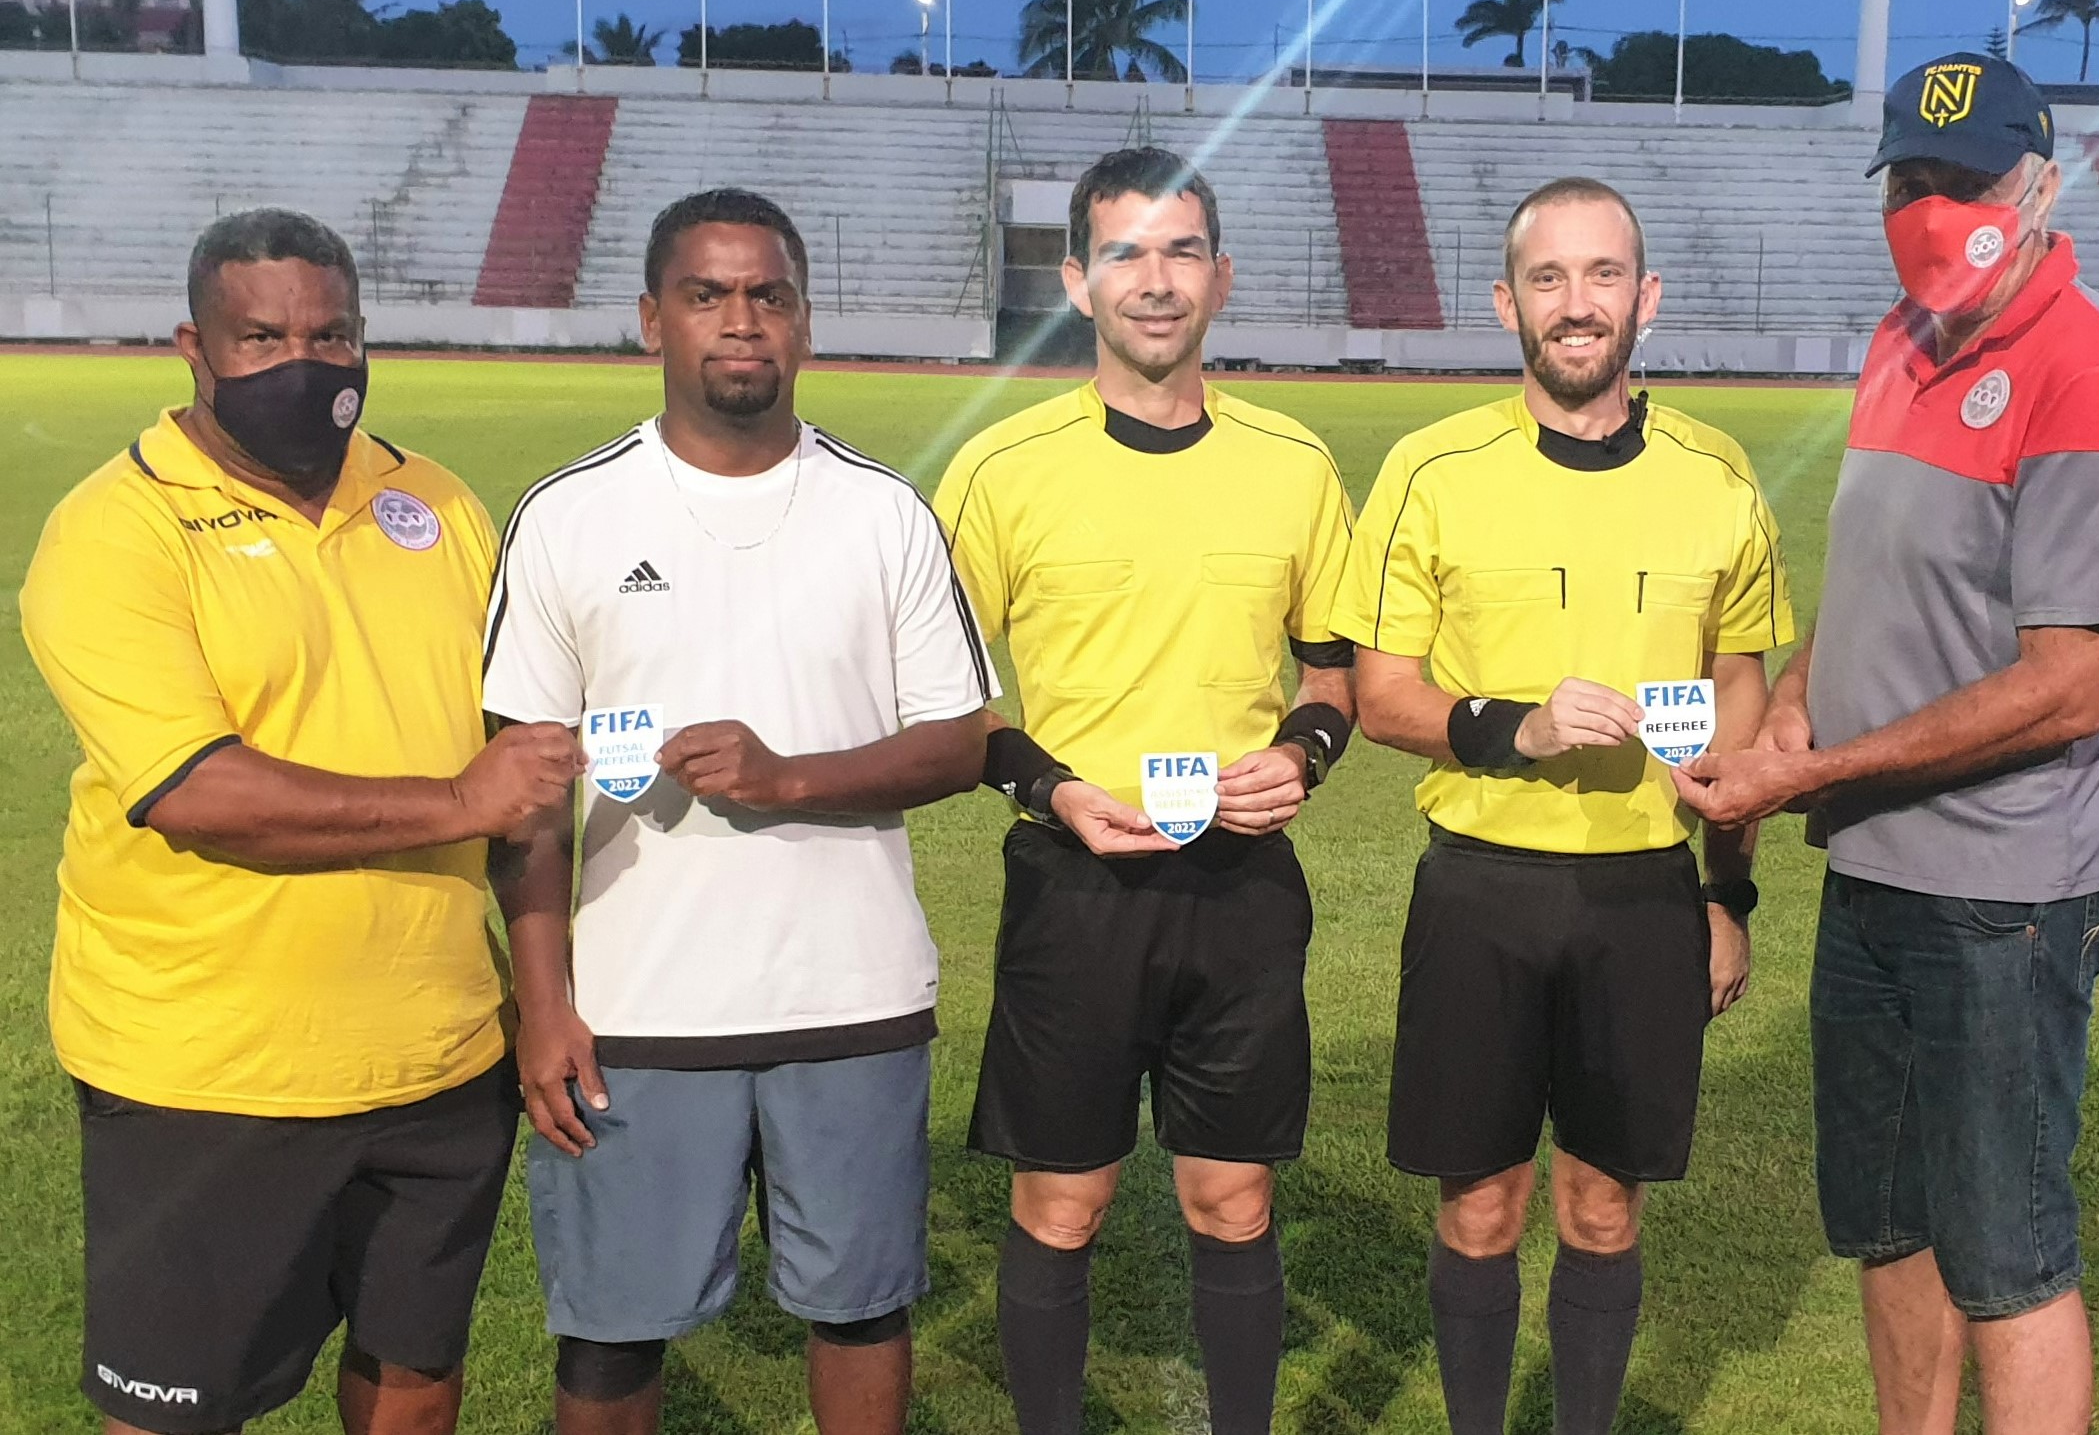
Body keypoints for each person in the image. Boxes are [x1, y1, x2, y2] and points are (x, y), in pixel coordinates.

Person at [1676, 54, 2099, 1435]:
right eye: (1909, 179)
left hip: (2008, 889)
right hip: (1879, 865)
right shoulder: (1899, 338)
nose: (1933, 209)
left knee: (2006, 1255)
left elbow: (2068, 688)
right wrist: (1795, 699)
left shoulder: (2093, 379)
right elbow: (1873, 583)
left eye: (1965, 181)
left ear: (2040, 190)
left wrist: (1809, 773)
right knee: (1890, 1228)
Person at [17, 208, 582, 1435]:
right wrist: (458, 800)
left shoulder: (435, 503)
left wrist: (544, 1004)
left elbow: (527, 786)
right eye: (263, 338)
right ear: (195, 348)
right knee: (177, 1412)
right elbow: (198, 791)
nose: (305, 362)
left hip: (437, 1054)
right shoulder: (117, 528)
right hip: (207, 1071)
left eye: (331, 333)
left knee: (415, 1379)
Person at [482, 188, 994, 1435]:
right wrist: (543, 1002)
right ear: (651, 317)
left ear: (803, 322)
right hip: (635, 1009)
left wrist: (786, 778)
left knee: (861, 1309)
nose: (741, 319)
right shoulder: (568, 515)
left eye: (768, 294)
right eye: (706, 294)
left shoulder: (883, 512)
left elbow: (960, 739)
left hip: (851, 995)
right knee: (612, 1329)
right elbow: (521, 794)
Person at [1332, 178, 1793, 1435]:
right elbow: (1381, 692)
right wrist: (1516, 727)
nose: (1575, 303)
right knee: (1480, 1205)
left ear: (1646, 298)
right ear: (1506, 303)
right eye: (1548, 277)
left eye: (1602, 275)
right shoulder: (1431, 469)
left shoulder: (1716, 472)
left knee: (1603, 1205)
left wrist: (1726, 891)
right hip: (1480, 884)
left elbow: (1739, 683)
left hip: (1644, 893)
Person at [931, 147, 1355, 1435]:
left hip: (1239, 887)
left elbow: (1333, 676)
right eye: (1124, 252)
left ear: (1221, 277)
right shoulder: (1002, 469)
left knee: (1232, 1197)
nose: (1155, 280)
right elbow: (943, 697)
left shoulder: (1294, 463)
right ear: (1077, 279)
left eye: (1181, 251)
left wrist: (1298, 756)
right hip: (1075, 884)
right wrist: (1051, 790)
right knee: (1062, 1203)